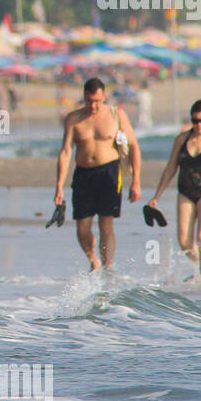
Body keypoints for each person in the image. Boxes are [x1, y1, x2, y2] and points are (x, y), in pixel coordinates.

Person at [54, 77, 142, 271]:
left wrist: (136, 181)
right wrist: (59, 185)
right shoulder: (73, 119)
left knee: (106, 224)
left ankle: (107, 268)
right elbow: (66, 151)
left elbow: (134, 145)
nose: (93, 106)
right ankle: (93, 259)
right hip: (83, 174)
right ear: (84, 98)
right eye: (89, 101)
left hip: (109, 172)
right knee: (82, 227)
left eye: (97, 101)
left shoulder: (116, 115)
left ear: (104, 97)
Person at [147, 99, 201, 280]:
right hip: (185, 191)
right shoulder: (181, 139)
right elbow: (171, 167)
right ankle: (200, 264)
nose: (199, 125)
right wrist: (156, 196)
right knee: (184, 242)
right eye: (195, 121)